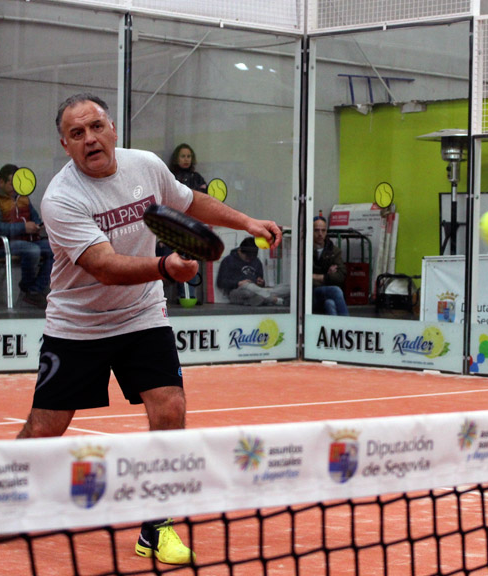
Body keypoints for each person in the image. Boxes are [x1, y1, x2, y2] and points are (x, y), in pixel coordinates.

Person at [17, 93, 281, 566]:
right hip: (78, 323)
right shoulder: (60, 198)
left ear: (113, 129)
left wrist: (246, 222)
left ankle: (156, 526)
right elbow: (104, 266)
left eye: (96, 126)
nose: (90, 139)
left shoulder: (146, 166)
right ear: (65, 145)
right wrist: (165, 266)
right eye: (77, 134)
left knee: (170, 406)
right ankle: (4, 497)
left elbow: (189, 200)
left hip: (141, 315)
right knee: (45, 427)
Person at [0, 164, 54, 309]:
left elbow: (34, 217)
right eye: (12, 183)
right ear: (1, 182)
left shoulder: (23, 196)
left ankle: (35, 291)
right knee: (32, 251)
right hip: (5, 244)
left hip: (30, 239)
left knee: (56, 249)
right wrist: (23, 227)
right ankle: (28, 289)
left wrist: (39, 224)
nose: (16, 187)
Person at [159, 144, 207, 302]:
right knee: (164, 263)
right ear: (176, 159)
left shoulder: (198, 178)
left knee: (188, 263)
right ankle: (158, 300)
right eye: (183, 156)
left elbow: (204, 202)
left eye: (188, 156)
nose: (186, 159)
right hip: (169, 229)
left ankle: (188, 298)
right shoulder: (169, 177)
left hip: (190, 230)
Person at [216, 237, 289, 306]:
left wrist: (261, 282)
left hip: (256, 292)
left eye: (252, 257)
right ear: (239, 251)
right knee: (248, 288)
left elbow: (260, 283)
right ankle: (276, 300)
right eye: (247, 257)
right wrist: (238, 283)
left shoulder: (257, 262)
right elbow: (221, 282)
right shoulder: (228, 261)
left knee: (287, 287)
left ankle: (264, 300)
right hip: (238, 291)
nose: (249, 259)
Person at [312, 215, 348, 315]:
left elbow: (341, 276)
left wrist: (316, 276)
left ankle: (339, 329)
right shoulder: (305, 250)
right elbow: (303, 278)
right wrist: (327, 277)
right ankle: (349, 325)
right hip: (311, 294)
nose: (320, 234)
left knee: (330, 303)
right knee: (336, 291)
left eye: (323, 230)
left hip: (326, 292)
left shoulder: (333, 250)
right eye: (316, 230)